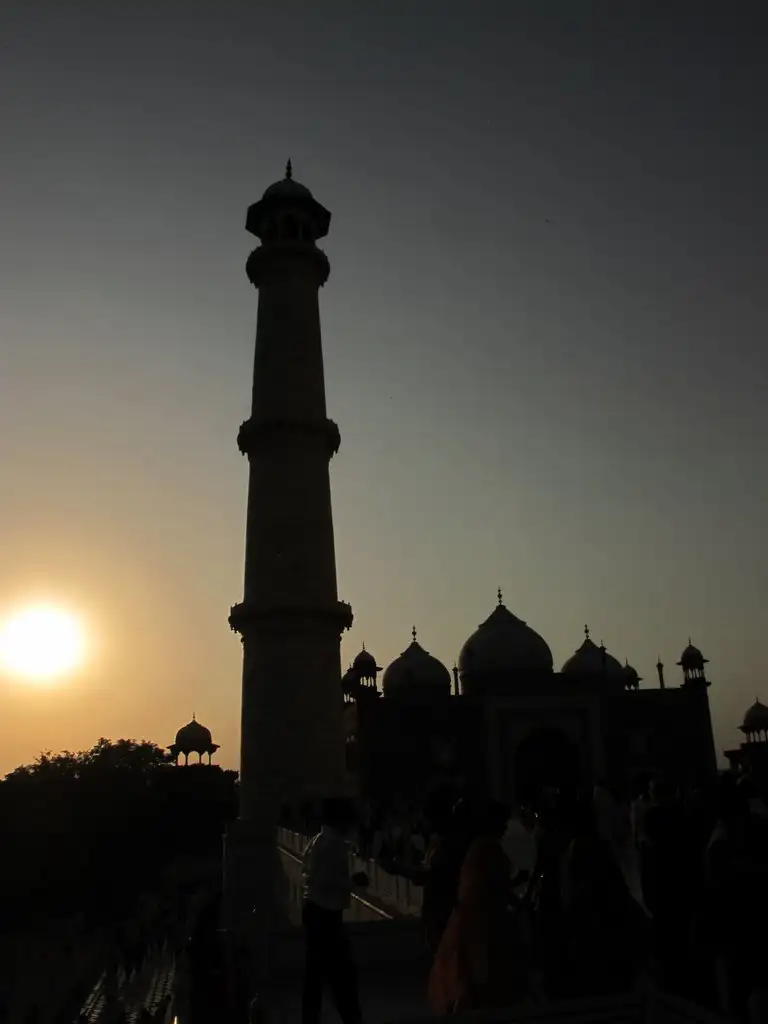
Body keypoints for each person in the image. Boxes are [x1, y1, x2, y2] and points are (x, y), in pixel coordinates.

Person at [429, 800, 528, 1014]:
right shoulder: (487, 848)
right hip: (482, 924)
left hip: (474, 920)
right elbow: (491, 887)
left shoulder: (479, 847)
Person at [301, 798, 369, 1024]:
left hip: (316, 911)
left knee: (317, 974)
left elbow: (310, 875)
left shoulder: (317, 841)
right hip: (324, 913)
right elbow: (325, 880)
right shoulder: (332, 844)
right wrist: (352, 883)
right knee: (340, 974)